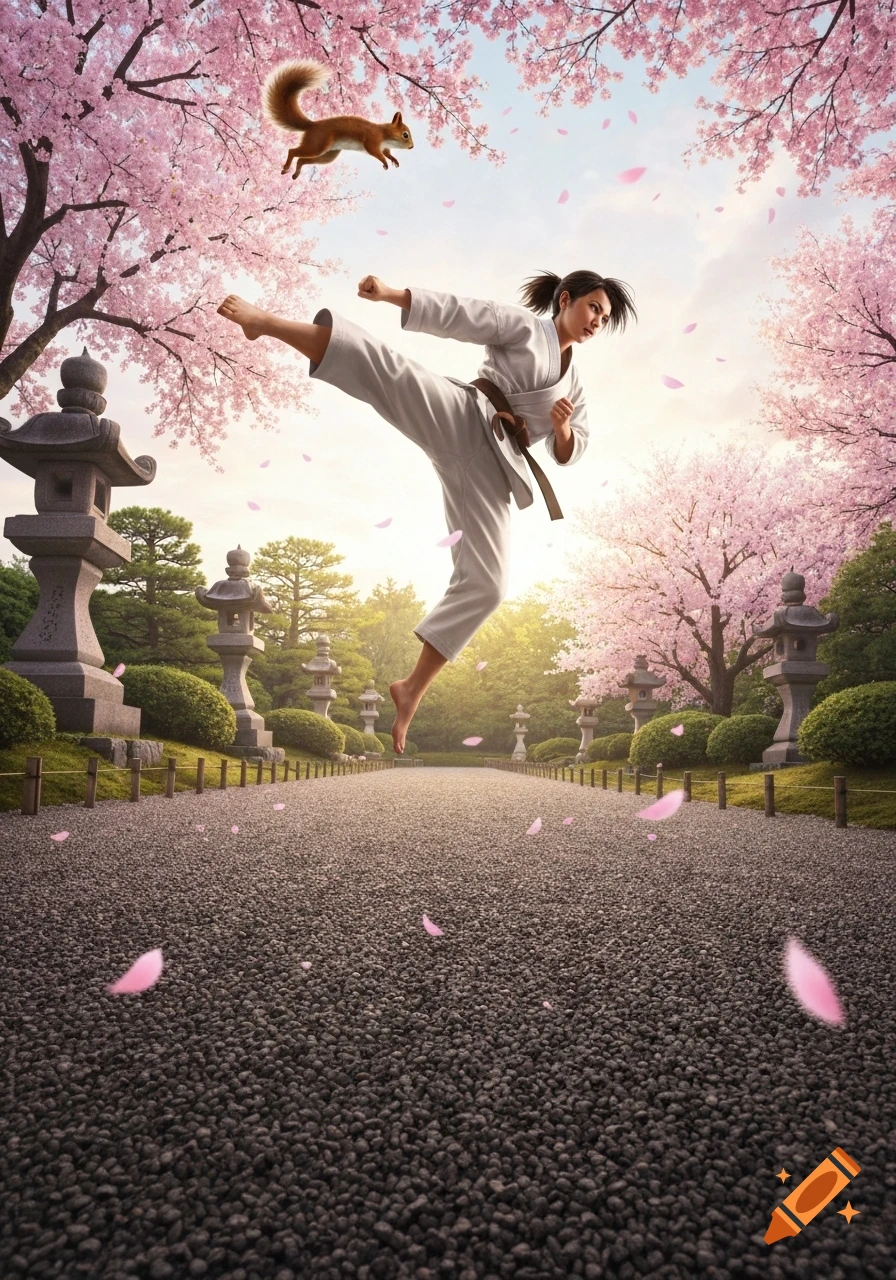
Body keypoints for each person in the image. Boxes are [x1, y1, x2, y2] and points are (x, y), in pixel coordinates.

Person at [217, 269, 637, 752]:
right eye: (593, 309)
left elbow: (573, 447)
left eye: (604, 318)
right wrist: (394, 296)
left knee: (489, 584)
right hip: (464, 415)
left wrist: (561, 430)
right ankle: (265, 322)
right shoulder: (524, 327)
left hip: (494, 469)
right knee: (387, 370)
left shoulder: (574, 386)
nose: (596, 321)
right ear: (566, 300)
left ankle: (411, 689)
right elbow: (464, 313)